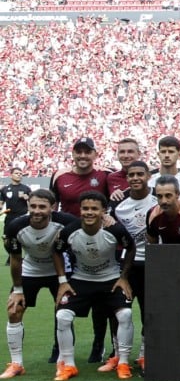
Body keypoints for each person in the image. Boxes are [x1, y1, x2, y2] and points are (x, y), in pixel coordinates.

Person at [51, 191, 136, 381]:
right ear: (80, 210)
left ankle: (123, 362)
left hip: (110, 279)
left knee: (125, 314)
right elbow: (56, 251)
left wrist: (123, 277)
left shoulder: (115, 229)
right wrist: (63, 281)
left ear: (103, 211)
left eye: (94, 209)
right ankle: (68, 365)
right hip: (81, 280)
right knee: (62, 316)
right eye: (85, 208)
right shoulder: (70, 231)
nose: (89, 212)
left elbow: (131, 248)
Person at [1, 190, 76, 380]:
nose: (36, 211)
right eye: (33, 206)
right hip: (30, 270)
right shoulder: (16, 226)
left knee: (64, 314)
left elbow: (88, 227)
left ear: (52, 207)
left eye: (42, 206)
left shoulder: (66, 221)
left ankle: (64, 363)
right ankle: (16, 364)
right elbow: (15, 259)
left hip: (60, 271)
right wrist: (18, 290)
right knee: (14, 310)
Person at [49, 137, 110, 364]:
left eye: (87, 152)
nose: (83, 156)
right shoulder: (59, 176)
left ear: (95, 154)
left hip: (96, 244)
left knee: (99, 297)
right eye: (79, 151)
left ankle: (98, 344)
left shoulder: (105, 175)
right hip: (67, 245)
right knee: (62, 293)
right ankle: (59, 346)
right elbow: (52, 207)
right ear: (73, 153)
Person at [104, 161, 156, 374]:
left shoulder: (158, 197)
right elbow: (107, 229)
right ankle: (118, 354)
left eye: (140, 174)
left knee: (148, 310)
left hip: (152, 263)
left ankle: (144, 354)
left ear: (148, 176)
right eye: (131, 175)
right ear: (126, 178)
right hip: (126, 264)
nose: (135, 178)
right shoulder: (118, 203)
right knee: (117, 310)